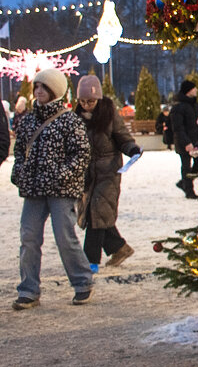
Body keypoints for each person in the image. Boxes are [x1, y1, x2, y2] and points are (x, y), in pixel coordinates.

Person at [11, 68, 93, 309]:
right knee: (28, 237)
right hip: (34, 189)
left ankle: (82, 282)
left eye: (44, 88)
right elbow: (19, 151)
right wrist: (19, 173)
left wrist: (62, 175)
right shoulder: (28, 120)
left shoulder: (69, 120)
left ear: (55, 91)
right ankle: (28, 289)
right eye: (37, 87)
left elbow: (81, 154)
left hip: (61, 190)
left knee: (65, 237)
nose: (38, 91)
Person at [73, 75, 141, 272]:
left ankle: (90, 262)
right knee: (97, 214)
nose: (86, 105)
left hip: (108, 172)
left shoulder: (109, 115)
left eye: (91, 101)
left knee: (96, 215)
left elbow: (123, 138)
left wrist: (132, 150)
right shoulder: (75, 119)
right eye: (83, 101)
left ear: (99, 99)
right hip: (86, 176)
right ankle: (119, 248)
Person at [169, 80, 198, 198]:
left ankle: (184, 183)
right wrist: (186, 142)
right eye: (194, 88)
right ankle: (189, 191)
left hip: (196, 140)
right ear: (188, 91)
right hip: (184, 142)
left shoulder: (195, 105)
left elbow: (197, 124)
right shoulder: (178, 107)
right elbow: (178, 128)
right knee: (186, 166)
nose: (196, 90)